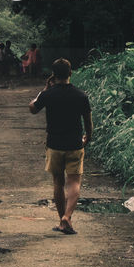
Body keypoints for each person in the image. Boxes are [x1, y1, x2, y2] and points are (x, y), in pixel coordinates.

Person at [28, 58, 93, 235]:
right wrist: (88, 137)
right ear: (70, 73)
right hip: (74, 144)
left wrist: (44, 90)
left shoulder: (48, 94)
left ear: (53, 75)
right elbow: (88, 121)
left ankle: (61, 219)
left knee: (58, 181)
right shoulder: (81, 95)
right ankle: (68, 217)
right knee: (74, 182)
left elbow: (32, 108)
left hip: (54, 145)